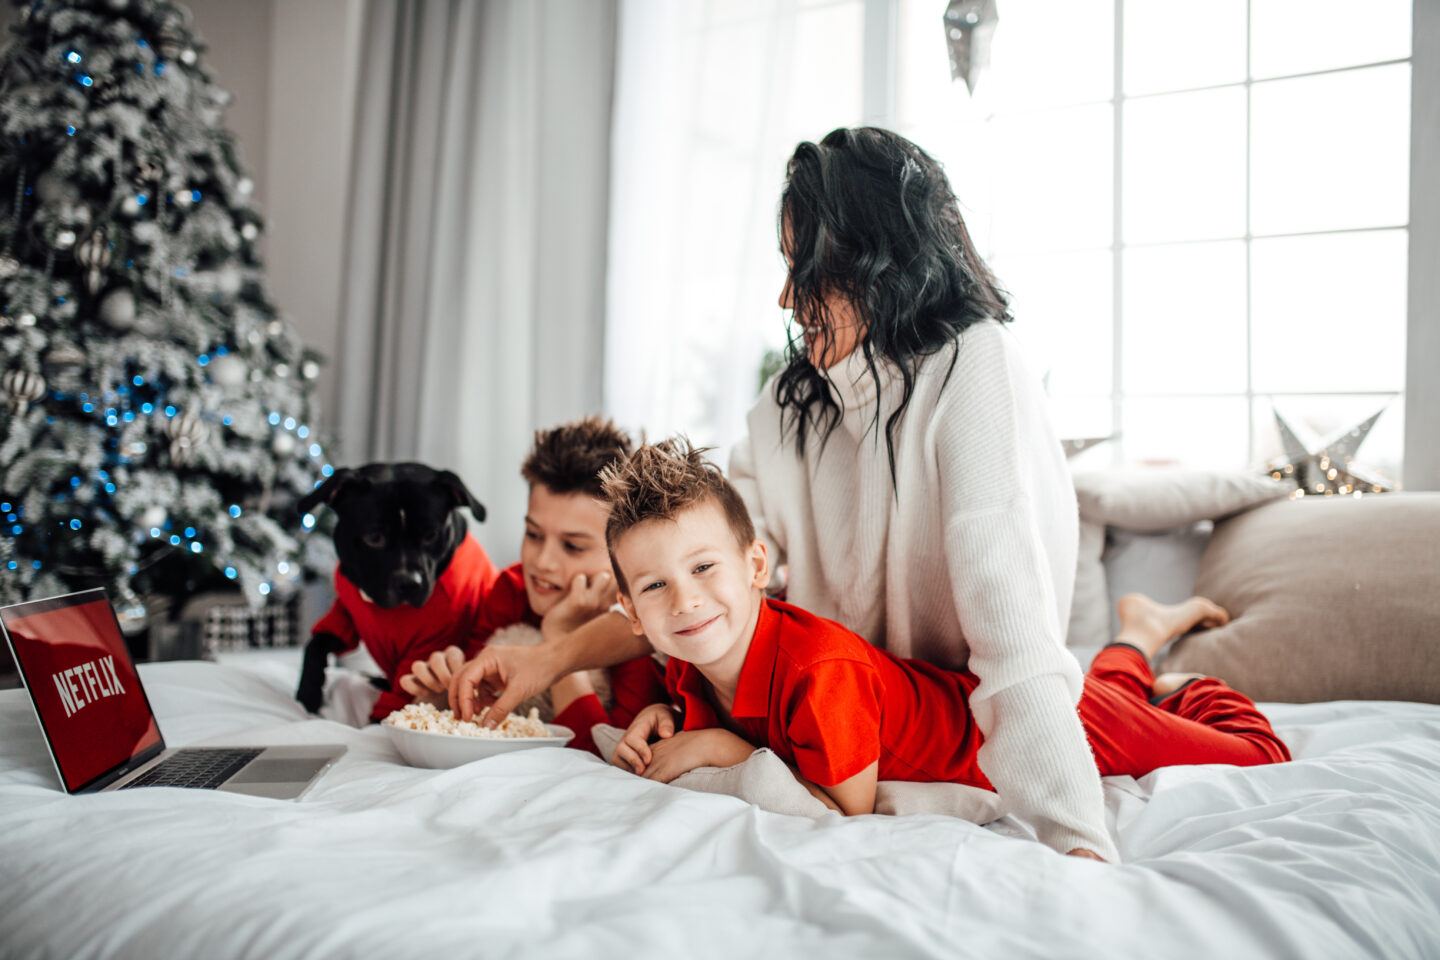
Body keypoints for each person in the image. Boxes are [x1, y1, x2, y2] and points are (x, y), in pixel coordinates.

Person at [726, 126, 1119, 859]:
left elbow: (1013, 633)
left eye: (805, 267)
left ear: (874, 260)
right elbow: (716, 556)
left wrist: (1081, 845)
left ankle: (1150, 637)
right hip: (854, 711)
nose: (786, 297)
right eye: (786, 267)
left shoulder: (973, 364)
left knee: (1239, 742)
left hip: (976, 712)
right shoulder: (790, 400)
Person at [601, 440, 1290, 814]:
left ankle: (1188, 682)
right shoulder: (690, 660)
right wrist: (664, 713)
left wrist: (714, 747)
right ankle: (1137, 636)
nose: (686, 602)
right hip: (1060, 702)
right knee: (1122, 702)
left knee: (1261, 758)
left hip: (1044, 724)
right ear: (632, 611)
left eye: (702, 568)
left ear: (756, 565)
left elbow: (845, 808)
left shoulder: (819, 669)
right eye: (656, 585)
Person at [397, 416, 666, 755]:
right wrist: (448, 683)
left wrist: (561, 633)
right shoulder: (511, 588)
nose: (542, 562)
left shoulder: (635, 628)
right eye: (534, 535)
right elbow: (484, 715)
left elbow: (601, 756)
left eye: (573, 546)